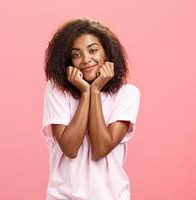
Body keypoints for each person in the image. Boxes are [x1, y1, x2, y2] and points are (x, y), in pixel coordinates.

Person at [42, 18, 140, 200]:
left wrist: (95, 90)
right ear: (68, 61)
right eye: (76, 54)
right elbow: (70, 148)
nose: (86, 59)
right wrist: (85, 93)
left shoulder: (127, 94)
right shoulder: (56, 90)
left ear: (107, 54)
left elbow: (101, 148)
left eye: (93, 50)